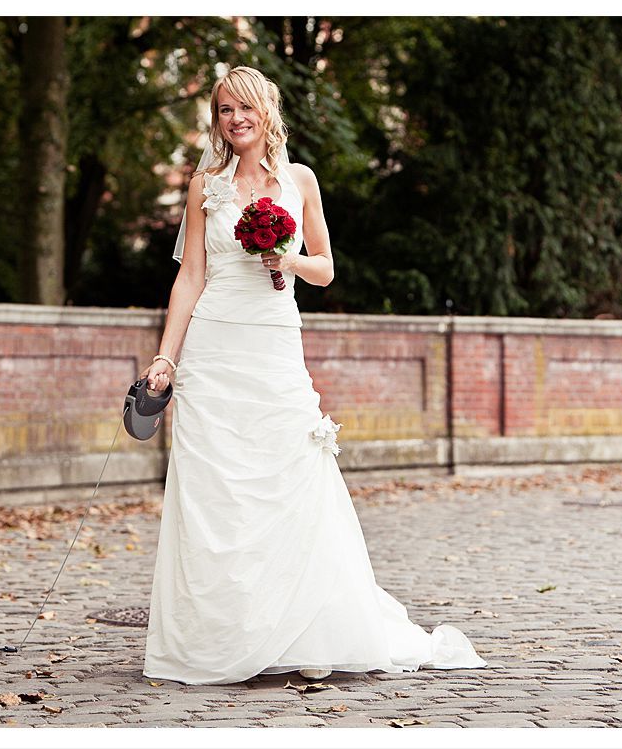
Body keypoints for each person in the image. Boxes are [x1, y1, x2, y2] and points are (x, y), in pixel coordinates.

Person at [141, 66, 488, 686]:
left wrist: (288, 257)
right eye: (224, 110)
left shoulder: (300, 181)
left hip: (274, 344)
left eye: (245, 108)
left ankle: (307, 628)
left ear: (267, 112)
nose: (235, 119)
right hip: (214, 348)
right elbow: (190, 276)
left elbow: (326, 267)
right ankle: (225, 634)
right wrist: (168, 356)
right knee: (217, 490)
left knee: (290, 474)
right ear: (216, 121)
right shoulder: (205, 186)